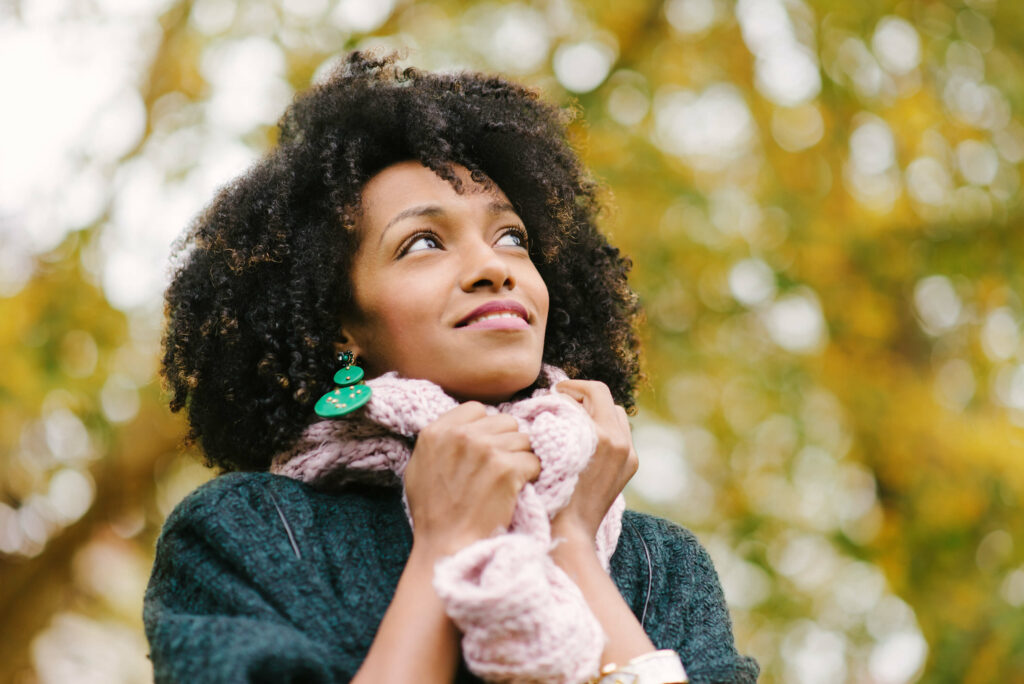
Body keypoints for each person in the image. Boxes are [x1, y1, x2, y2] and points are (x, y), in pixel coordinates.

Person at [144, 51, 759, 683]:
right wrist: (444, 545)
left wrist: (570, 540)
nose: (495, 267)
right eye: (423, 244)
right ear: (340, 329)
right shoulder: (249, 533)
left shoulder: (662, 565)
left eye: (511, 237)